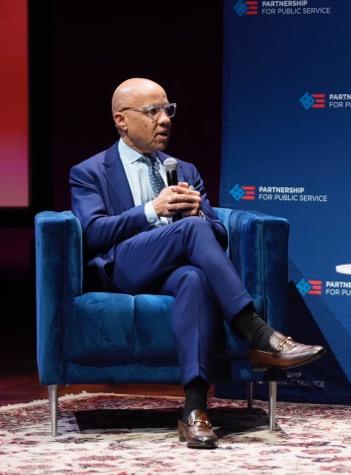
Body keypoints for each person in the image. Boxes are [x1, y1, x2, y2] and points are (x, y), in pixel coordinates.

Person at [70, 78, 325, 449]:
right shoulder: (90, 171)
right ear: (121, 120)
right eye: (152, 111)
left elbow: (217, 234)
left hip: (174, 270)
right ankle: (256, 331)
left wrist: (199, 215)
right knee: (190, 232)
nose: (164, 120)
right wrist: (151, 210)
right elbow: (93, 233)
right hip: (124, 268)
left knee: (194, 279)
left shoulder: (184, 170)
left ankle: (194, 410)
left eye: (168, 110)